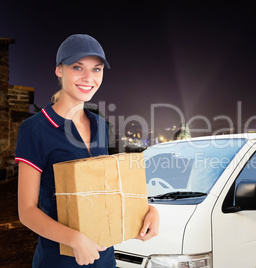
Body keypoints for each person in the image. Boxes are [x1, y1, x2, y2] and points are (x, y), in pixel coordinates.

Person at [15, 34, 159, 267]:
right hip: (58, 261)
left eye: (96, 69)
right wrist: (74, 239)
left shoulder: (100, 125)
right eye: (77, 67)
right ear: (59, 70)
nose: (88, 78)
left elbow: (106, 190)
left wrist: (149, 210)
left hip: (105, 259)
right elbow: (27, 211)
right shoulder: (35, 129)